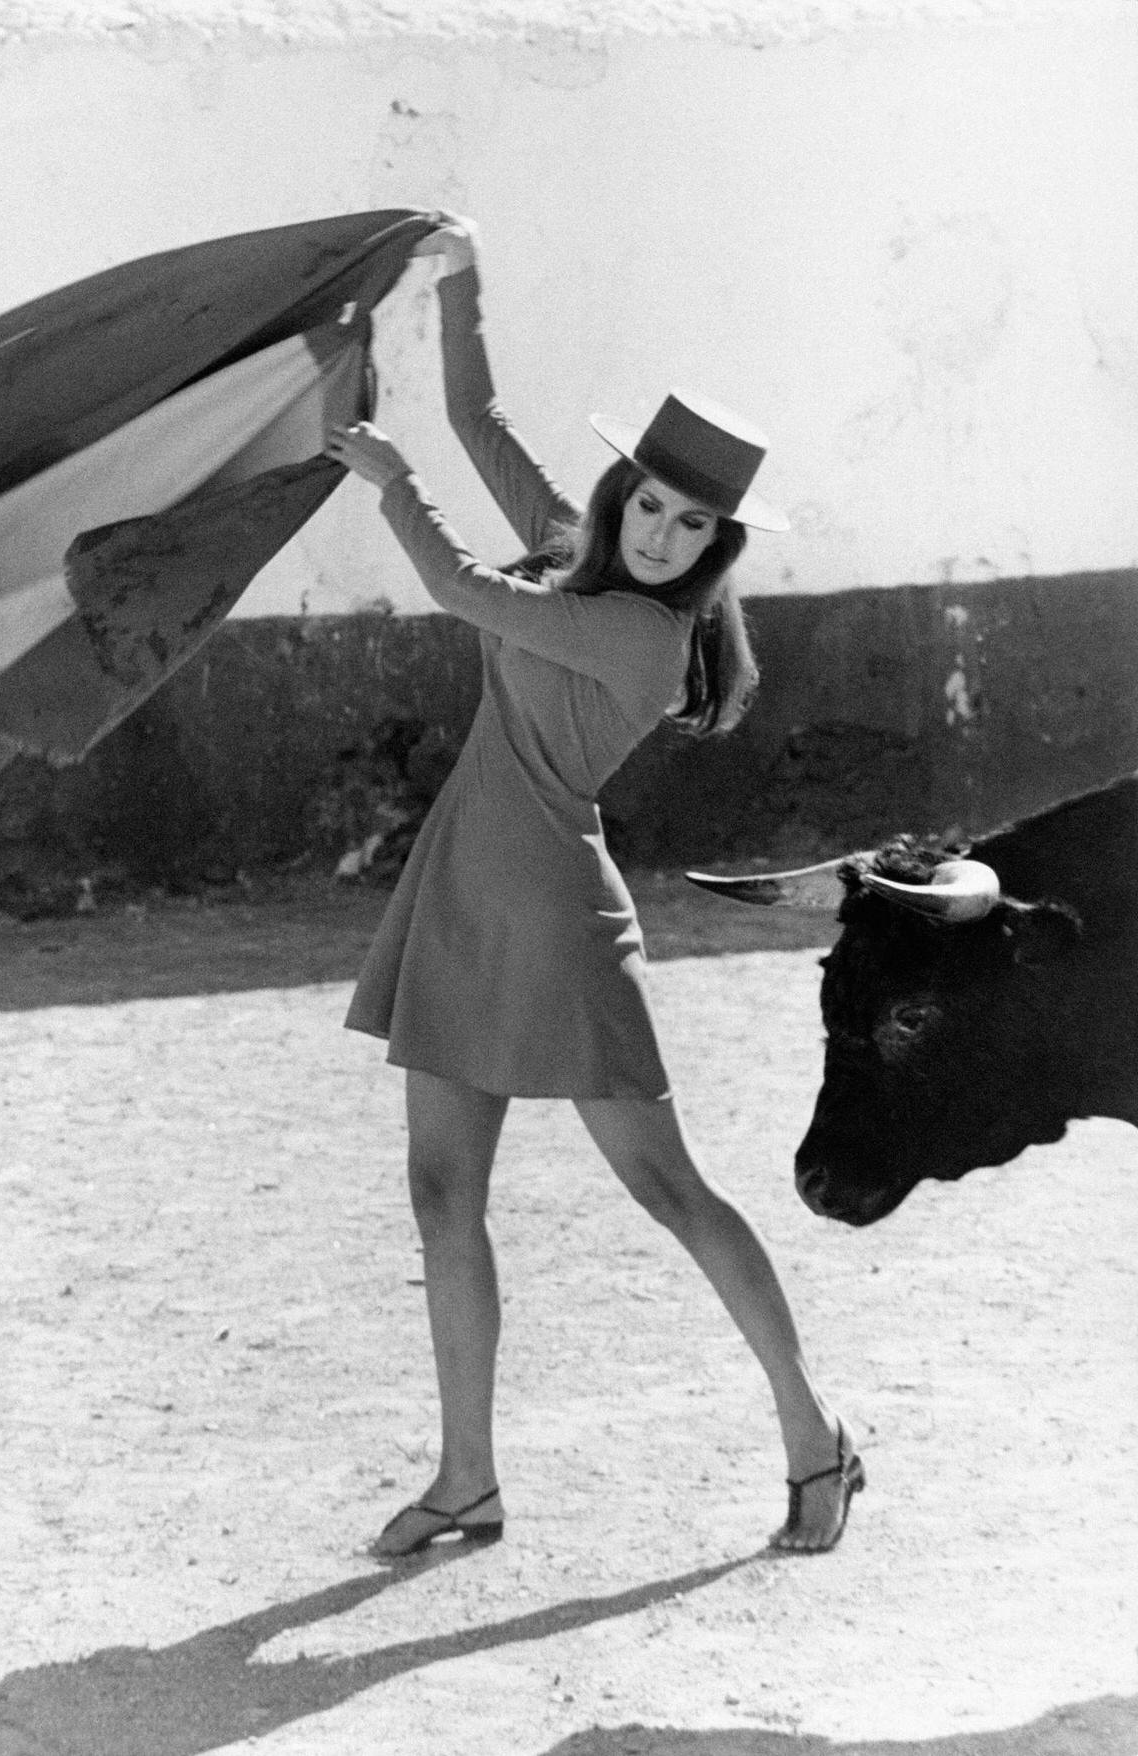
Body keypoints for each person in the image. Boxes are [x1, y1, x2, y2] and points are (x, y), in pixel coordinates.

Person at [325, 216, 864, 1562]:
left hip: (559, 927)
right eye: (659, 507)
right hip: (462, 900)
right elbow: (476, 411)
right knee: (443, 1196)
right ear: (627, 497)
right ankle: (466, 1480)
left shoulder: (642, 632)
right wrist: (463, 275)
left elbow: (456, 586)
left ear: (717, 545)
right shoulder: (580, 551)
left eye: (699, 525)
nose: (671, 534)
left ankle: (819, 1439)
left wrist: (383, 479)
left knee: (671, 1192)